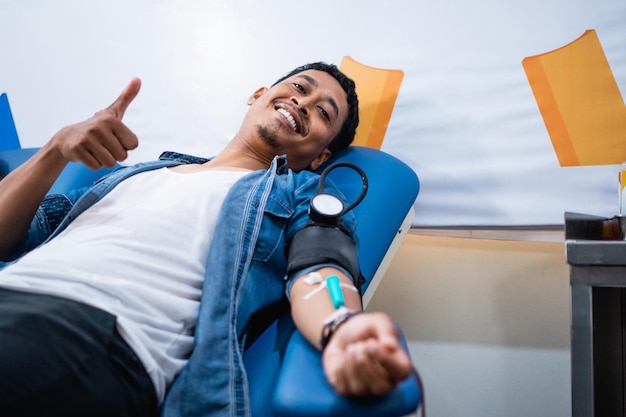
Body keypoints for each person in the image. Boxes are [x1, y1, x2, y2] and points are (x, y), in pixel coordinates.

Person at [0, 62, 413, 417]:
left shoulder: (299, 193)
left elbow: (321, 267)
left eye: (323, 111)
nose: (303, 103)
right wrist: (55, 149)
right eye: (299, 88)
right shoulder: (135, 174)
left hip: (93, 338)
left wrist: (340, 325)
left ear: (322, 155)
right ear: (258, 95)